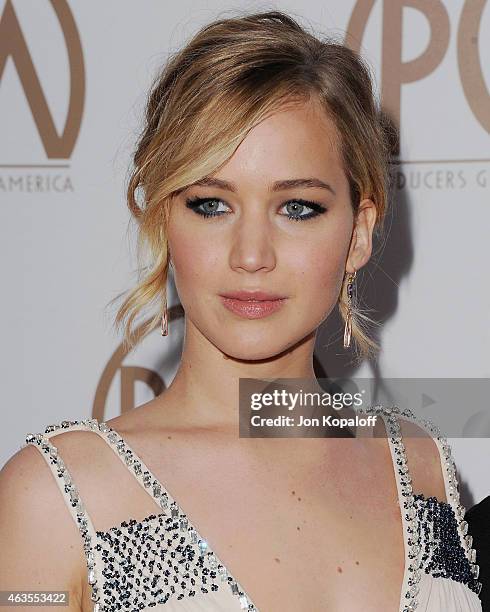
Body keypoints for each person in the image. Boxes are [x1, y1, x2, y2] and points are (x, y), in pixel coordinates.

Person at [0, 9, 484, 612]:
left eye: (298, 208)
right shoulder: (56, 495)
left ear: (359, 232)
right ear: (162, 218)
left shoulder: (422, 469)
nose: (251, 256)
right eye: (210, 204)